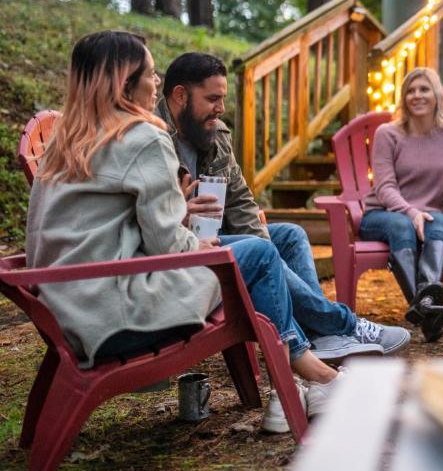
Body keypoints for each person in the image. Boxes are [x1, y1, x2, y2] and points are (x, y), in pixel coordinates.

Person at [25, 31, 340, 434]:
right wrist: (197, 240)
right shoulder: (141, 136)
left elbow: (102, 226)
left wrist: (187, 227)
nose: (155, 84)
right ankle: (309, 375)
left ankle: (304, 374)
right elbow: (168, 245)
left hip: (66, 310)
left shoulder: (65, 141)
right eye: (152, 75)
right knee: (257, 255)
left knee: (250, 245)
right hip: (120, 316)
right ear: (125, 82)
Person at [154, 52, 410, 365]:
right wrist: (181, 213)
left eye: (222, 99)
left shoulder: (215, 133)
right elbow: (151, 220)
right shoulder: (153, 140)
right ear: (180, 95)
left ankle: (322, 338)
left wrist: (263, 245)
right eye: (213, 99)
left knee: (289, 235)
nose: (220, 109)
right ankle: (344, 325)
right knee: (264, 251)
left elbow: (240, 200)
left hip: (218, 235)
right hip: (184, 252)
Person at [360, 67, 443, 343]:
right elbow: (384, 187)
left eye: (424, 89)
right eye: (410, 91)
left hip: (430, 214)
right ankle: (432, 311)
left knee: (439, 223)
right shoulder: (387, 133)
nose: (417, 95)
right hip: (383, 214)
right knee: (404, 224)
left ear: (436, 94)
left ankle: (424, 309)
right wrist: (412, 212)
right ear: (403, 98)